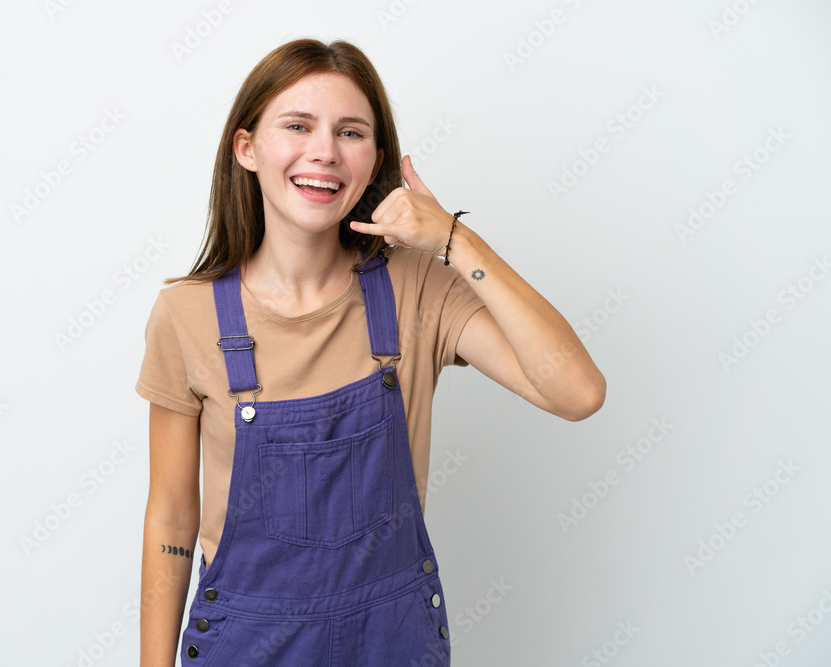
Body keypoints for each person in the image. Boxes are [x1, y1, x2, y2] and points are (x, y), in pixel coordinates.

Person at [135, 38, 605, 666]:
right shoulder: (186, 315)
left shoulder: (418, 287)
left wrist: (455, 239)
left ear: (375, 159)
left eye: (350, 132)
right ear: (246, 148)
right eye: (297, 126)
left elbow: (578, 392)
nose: (324, 151)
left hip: (392, 642)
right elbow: (171, 518)